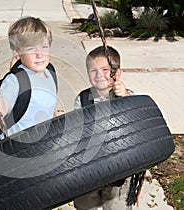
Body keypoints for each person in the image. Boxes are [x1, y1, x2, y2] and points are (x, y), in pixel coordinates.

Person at [73, 45, 133, 210]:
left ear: (117, 73)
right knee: (85, 205)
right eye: (93, 70)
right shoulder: (83, 98)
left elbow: (135, 120)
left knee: (116, 205)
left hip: (119, 169)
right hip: (89, 169)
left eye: (105, 69)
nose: (99, 75)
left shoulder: (126, 96)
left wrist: (126, 96)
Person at [0, 16, 57, 137]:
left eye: (44, 47)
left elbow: (49, 109)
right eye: (31, 49)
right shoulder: (16, 80)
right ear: (17, 54)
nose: (39, 54)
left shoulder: (50, 72)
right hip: (17, 148)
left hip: (43, 144)